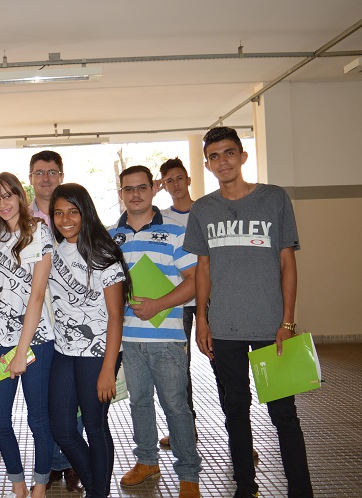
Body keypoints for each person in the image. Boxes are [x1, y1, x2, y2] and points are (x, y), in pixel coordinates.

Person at [185, 126, 312, 498]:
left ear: (242, 156)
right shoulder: (203, 209)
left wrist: (287, 321)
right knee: (235, 412)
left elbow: (288, 263)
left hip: (272, 328)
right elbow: (203, 268)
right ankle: (245, 487)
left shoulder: (274, 199)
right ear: (207, 164)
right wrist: (203, 321)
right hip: (224, 329)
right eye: (214, 156)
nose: (222, 161)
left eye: (229, 153)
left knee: (284, 414)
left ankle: (301, 490)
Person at [108, 165, 201, 498]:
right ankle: (147, 461)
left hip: (168, 339)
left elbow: (194, 282)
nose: (135, 194)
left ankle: (189, 474)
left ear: (152, 189)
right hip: (129, 340)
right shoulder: (110, 236)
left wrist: (159, 304)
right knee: (140, 404)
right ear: (121, 193)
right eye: (128, 189)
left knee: (176, 406)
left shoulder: (176, 232)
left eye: (142, 187)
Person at [46, 183, 128, 498]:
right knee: (63, 430)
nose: (65, 219)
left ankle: (98, 493)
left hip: (98, 354)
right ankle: (96, 486)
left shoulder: (104, 252)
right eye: (58, 212)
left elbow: (116, 315)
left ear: (85, 213)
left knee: (95, 427)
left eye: (73, 212)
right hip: (63, 352)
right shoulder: (51, 252)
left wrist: (109, 368)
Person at [0, 173, 55, 498]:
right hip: (1, 342)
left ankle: (40, 485)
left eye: (8, 195)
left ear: (20, 196)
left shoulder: (38, 232)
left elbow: (37, 296)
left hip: (36, 342)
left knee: (39, 418)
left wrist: (22, 352)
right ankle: (18, 483)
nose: (3, 203)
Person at [28, 150, 83, 493]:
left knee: (71, 396)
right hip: (36, 322)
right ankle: (49, 464)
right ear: (30, 177)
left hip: (73, 322)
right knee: (41, 400)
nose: (46, 178)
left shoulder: (74, 215)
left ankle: (73, 461)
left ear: (61, 175)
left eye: (52, 172)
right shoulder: (20, 219)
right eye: (39, 172)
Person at [156, 157, 198, 448]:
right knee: (179, 366)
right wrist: (153, 188)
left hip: (210, 297)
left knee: (221, 364)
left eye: (179, 178)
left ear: (188, 179)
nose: (175, 184)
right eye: (168, 180)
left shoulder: (206, 210)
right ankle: (186, 428)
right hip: (178, 298)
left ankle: (239, 436)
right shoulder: (161, 216)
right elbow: (125, 224)